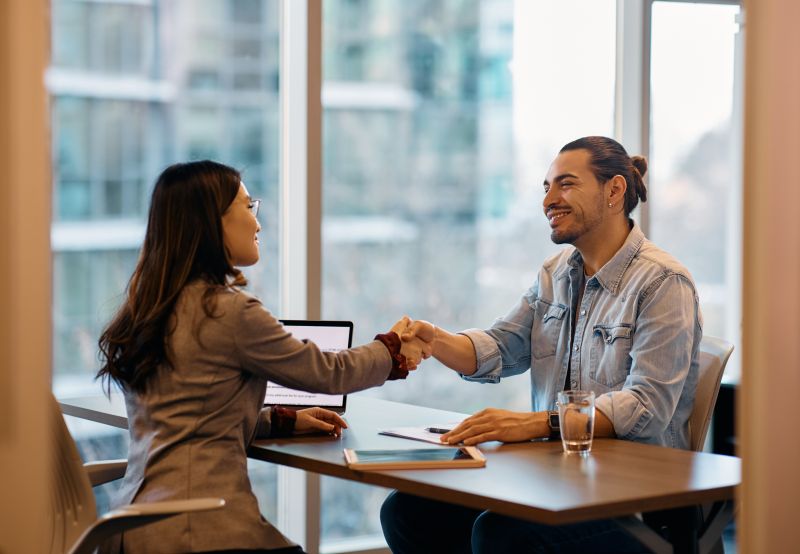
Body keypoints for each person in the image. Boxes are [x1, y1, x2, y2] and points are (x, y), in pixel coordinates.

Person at [381, 136, 703, 553]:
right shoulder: (555, 274)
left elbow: (647, 405)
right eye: (546, 187)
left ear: (614, 191)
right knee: (408, 511)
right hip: (559, 483)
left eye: (565, 184)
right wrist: (435, 339)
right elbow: (501, 346)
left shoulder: (663, 282)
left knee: (501, 534)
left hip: (634, 507)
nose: (549, 199)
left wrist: (535, 424)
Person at [96, 160, 430, 554]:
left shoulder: (149, 308)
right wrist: (392, 349)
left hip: (133, 528)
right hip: (197, 529)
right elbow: (328, 373)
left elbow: (189, 417)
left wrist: (283, 420)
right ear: (212, 221)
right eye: (247, 206)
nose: (257, 223)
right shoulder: (226, 311)